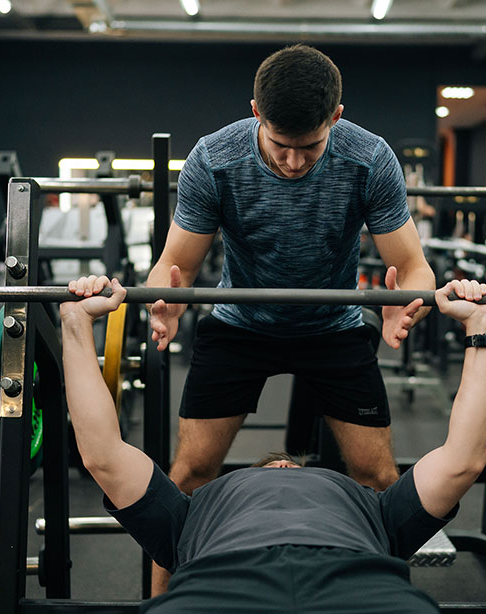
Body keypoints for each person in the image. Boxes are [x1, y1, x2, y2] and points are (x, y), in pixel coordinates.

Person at [145, 43, 434, 588]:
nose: (293, 161)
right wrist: (168, 306)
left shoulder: (369, 157)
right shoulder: (215, 157)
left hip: (335, 326)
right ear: (256, 112)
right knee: (187, 476)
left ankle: (386, 598)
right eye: (281, 145)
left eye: (310, 146)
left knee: (380, 478)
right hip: (240, 325)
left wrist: (407, 306)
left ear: (336, 118)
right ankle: (161, 606)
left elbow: (413, 265)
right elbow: (175, 264)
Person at [60, 275, 486, 613]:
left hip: (260, 586)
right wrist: (75, 322)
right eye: (287, 463)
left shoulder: (193, 512)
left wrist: (483, 325)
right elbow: (461, 462)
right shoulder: (373, 509)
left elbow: (106, 456)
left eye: (285, 464)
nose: (285, 467)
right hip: (322, 585)